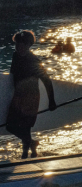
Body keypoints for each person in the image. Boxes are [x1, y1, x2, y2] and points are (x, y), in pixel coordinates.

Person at [6, 30, 56, 159]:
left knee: (26, 127)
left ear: (28, 45)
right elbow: (12, 76)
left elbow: (46, 80)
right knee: (11, 126)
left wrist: (51, 101)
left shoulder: (33, 60)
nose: (19, 47)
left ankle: (26, 153)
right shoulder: (15, 56)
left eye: (22, 44)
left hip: (31, 98)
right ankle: (32, 143)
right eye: (17, 44)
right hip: (18, 96)